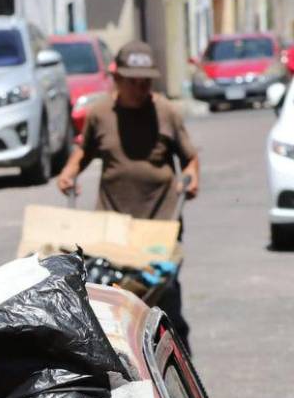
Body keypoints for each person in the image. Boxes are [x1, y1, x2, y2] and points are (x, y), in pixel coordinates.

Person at [56, 40, 200, 343]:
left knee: (164, 296)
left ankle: (172, 355)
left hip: (160, 225)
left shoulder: (166, 112)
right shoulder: (101, 114)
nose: (140, 87)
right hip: (114, 226)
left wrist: (190, 178)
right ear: (117, 78)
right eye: (133, 81)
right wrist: (69, 173)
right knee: (112, 297)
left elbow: (190, 159)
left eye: (146, 81)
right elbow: (85, 152)